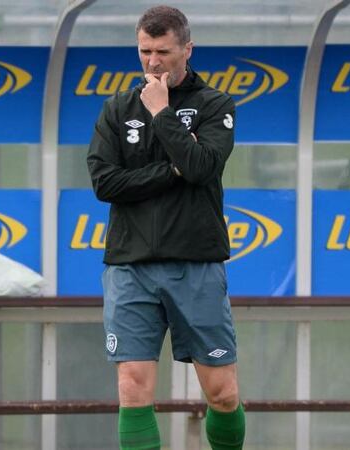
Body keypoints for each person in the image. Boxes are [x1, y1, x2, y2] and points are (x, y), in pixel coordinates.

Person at [86, 5, 245, 450]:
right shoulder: (117, 109)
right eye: (144, 52)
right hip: (130, 266)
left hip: (195, 264)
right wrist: (170, 171)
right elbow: (105, 182)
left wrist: (162, 114)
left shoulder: (216, 105)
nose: (153, 63)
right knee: (132, 386)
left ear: (186, 50)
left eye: (163, 52)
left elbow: (200, 166)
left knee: (223, 393)